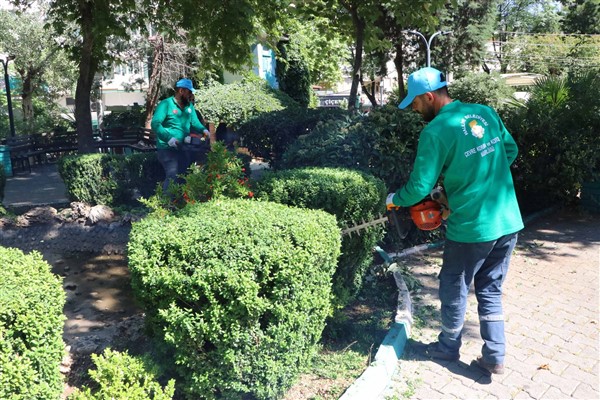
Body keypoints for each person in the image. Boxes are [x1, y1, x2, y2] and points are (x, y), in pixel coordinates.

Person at [386, 67, 524, 376]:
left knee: (453, 285)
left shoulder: (436, 130)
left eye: (416, 103)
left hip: (473, 228)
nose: (414, 109)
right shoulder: (484, 112)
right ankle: (495, 355)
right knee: (490, 289)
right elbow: (510, 150)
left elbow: (420, 187)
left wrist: (395, 199)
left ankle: (447, 348)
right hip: (508, 221)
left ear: (429, 96)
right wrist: (481, 178)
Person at [151, 78, 210, 191]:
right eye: (189, 92)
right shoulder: (166, 104)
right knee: (173, 176)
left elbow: (195, 122)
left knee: (184, 177)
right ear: (181, 91)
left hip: (183, 147)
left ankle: (181, 205)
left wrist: (204, 130)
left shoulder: (189, 107)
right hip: (167, 148)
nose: (191, 95)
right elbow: (155, 123)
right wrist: (169, 138)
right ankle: (167, 206)